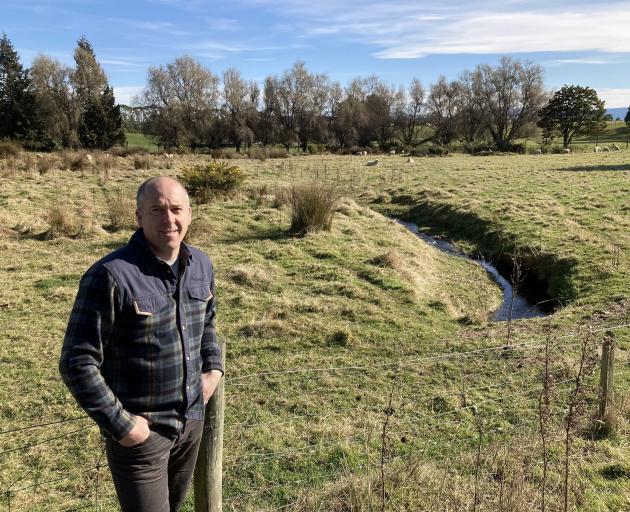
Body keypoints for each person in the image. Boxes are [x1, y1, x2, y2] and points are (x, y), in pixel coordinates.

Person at [59, 176, 223, 512]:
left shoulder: (201, 265)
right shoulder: (110, 275)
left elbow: (206, 322)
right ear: (139, 216)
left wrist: (214, 368)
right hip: (143, 435)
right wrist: (124, 426)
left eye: (176, 209)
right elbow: (77, 361)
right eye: (157, 210)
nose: (169, 219)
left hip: (191, 422)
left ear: (190, 213)